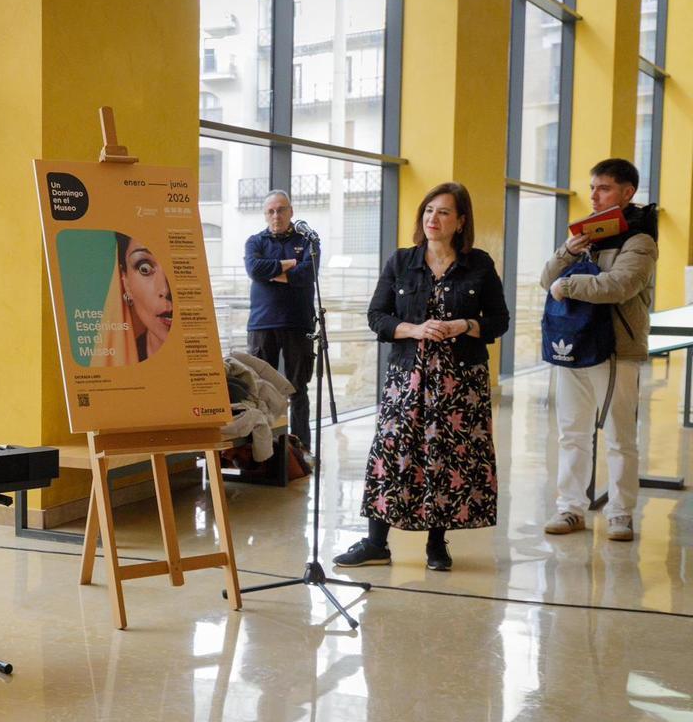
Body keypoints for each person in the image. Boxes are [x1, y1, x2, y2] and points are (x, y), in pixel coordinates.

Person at [333, 182, 509, 571]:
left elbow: (500, 320)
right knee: (390, 453)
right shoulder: (401, 261)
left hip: (459, 382)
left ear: (461, 222)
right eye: (429, 210)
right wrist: (414, 329)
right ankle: (377, 543)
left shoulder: (478, 264)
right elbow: (376, 316)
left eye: (444, 212)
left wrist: (463, 324)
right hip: (406, 377)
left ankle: (436, 544)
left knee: (447, 458)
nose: (434, 218)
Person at [541, 159, 657, 542]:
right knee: (571, 431)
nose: (593, 196)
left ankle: (621, 513)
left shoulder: (639, 241)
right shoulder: (583, 239)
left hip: (617, 351)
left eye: (604, 188)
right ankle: (570, 508)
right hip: (573, 344)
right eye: (592, 187)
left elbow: (619, 285)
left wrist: (568, 286)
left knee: (619, 436)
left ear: (627, 193)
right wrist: (567, 254)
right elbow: (546, 280)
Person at [244, 189, 316, 447]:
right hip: (262, 324)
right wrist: (290, 264)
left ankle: (300, 447)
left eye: (281, 209)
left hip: (299, 323)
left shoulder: (307, 241)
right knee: (261, 389)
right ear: (265, 215)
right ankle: (264, 448)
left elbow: (309, 273)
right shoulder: (255, 241)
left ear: (291, 212)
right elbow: (254, 269)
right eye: (271, 211)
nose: (276, 215)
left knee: (298, 389)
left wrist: (272, 270)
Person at [116, 233, 173, 362]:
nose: (165, 290)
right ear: (126, 284)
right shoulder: (119, 363)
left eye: (177, 267)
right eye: (145, 268)